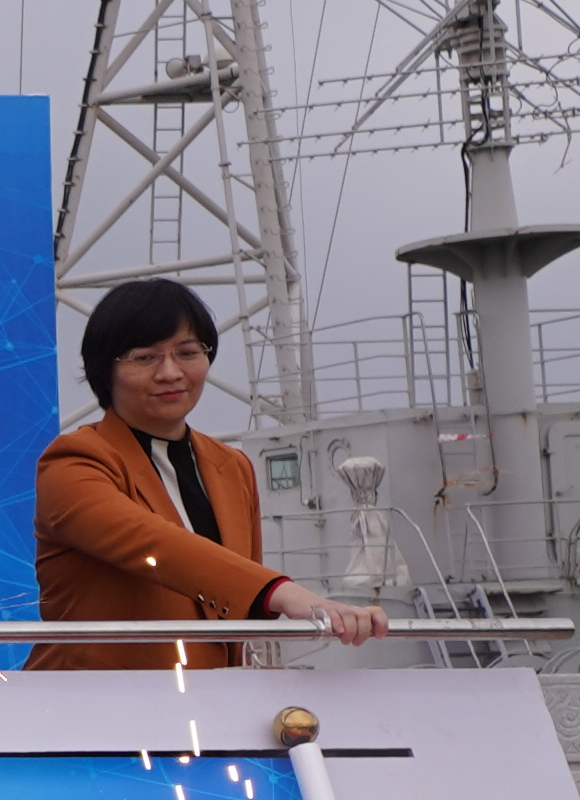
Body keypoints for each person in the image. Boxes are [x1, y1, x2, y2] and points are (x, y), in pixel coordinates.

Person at [34, 278, 389, 668]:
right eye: (145, 358)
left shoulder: (232, 466)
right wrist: (282, 592)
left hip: (215, 698)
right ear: (106, 370)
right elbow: (150, 542)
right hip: (98, 697)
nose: (171, 372)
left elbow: (239, 613)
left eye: (188, 352)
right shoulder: (73, 461)